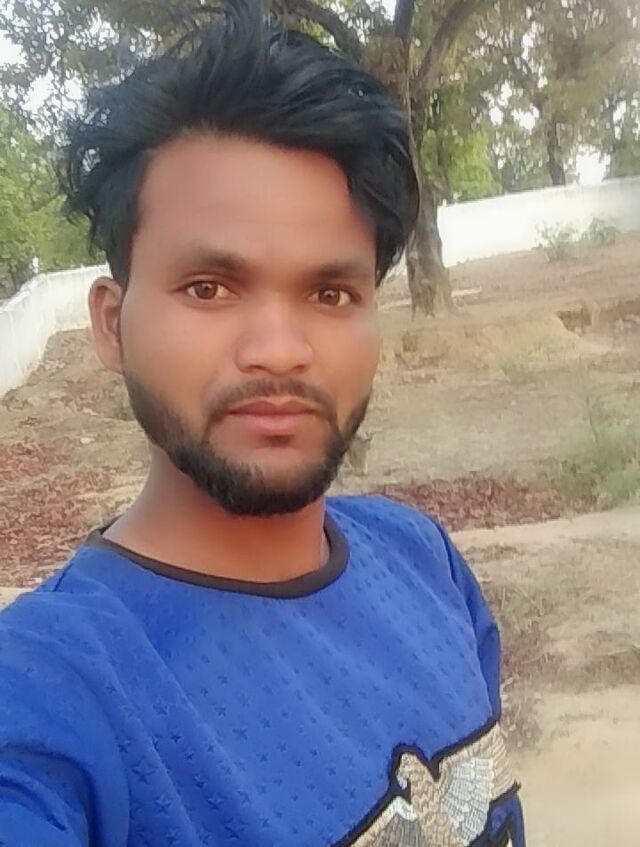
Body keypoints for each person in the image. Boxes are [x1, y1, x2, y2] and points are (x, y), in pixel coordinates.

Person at [0, 2, 525, 844]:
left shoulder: (423, 561)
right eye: (209, 287)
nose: (279, 350)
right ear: (111, 325)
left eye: (331, 293)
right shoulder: (53, 696)